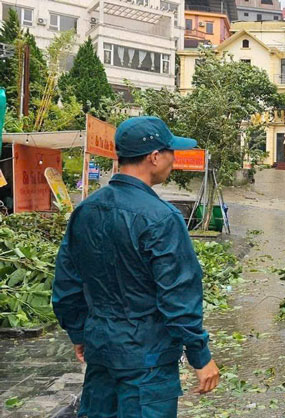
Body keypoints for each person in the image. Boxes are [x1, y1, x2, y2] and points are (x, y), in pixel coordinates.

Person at [52, 116, 220, 417]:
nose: (174, 159)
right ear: (154, 157)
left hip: (101, 352)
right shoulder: (162, 218)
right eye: (171, 152)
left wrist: (79, 333)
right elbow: (178, 297)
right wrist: (200, 355)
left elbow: (66, 285)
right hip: (148, 362)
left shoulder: (85, 210)